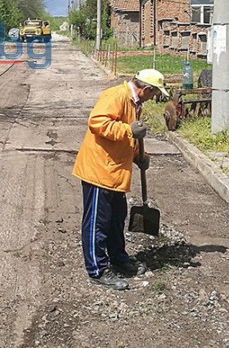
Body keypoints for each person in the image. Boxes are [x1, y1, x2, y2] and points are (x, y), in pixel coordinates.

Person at [72, 68, 169, 290]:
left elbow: (129, 137)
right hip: (99, 171)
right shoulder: (115, 96)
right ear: (146, 89)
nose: (154, 98)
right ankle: (97, 269)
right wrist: (128, 130)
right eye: (154, 94)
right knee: (97, 223)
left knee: (116, 220)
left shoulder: (136, 104)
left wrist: (138, 156)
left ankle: (118, 258)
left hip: (115, 173)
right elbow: (97, 123)